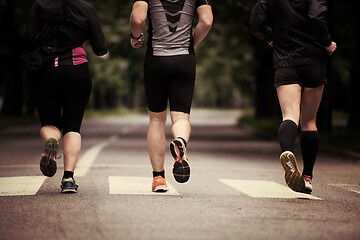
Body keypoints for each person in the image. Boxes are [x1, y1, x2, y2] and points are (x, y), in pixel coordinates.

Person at [249, 0, 336, 194]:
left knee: (290, 116)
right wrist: (327, 42)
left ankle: (287, 151)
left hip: (285, 60)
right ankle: (307, 177)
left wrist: (270, 37)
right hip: (314, 60)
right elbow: (316, 16)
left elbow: (255, 23)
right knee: (310, 121)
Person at [23, 0, 108, 193]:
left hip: (45, 71)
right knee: (73, 126)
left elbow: (29, 38)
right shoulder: (84, 7)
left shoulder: (39, 5)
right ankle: (68, 179)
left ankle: (51, 144)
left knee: (49, 123)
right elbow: (100, 46)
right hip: (77, 70)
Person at [130, 0, 213, 192]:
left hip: (156, 59)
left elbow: (138, 18)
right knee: (181, 116)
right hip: (185, 58)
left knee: (157, 120)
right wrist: (193, 42)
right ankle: (181, 142)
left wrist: (135, 36)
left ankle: (158, 178)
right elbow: (207, 21)